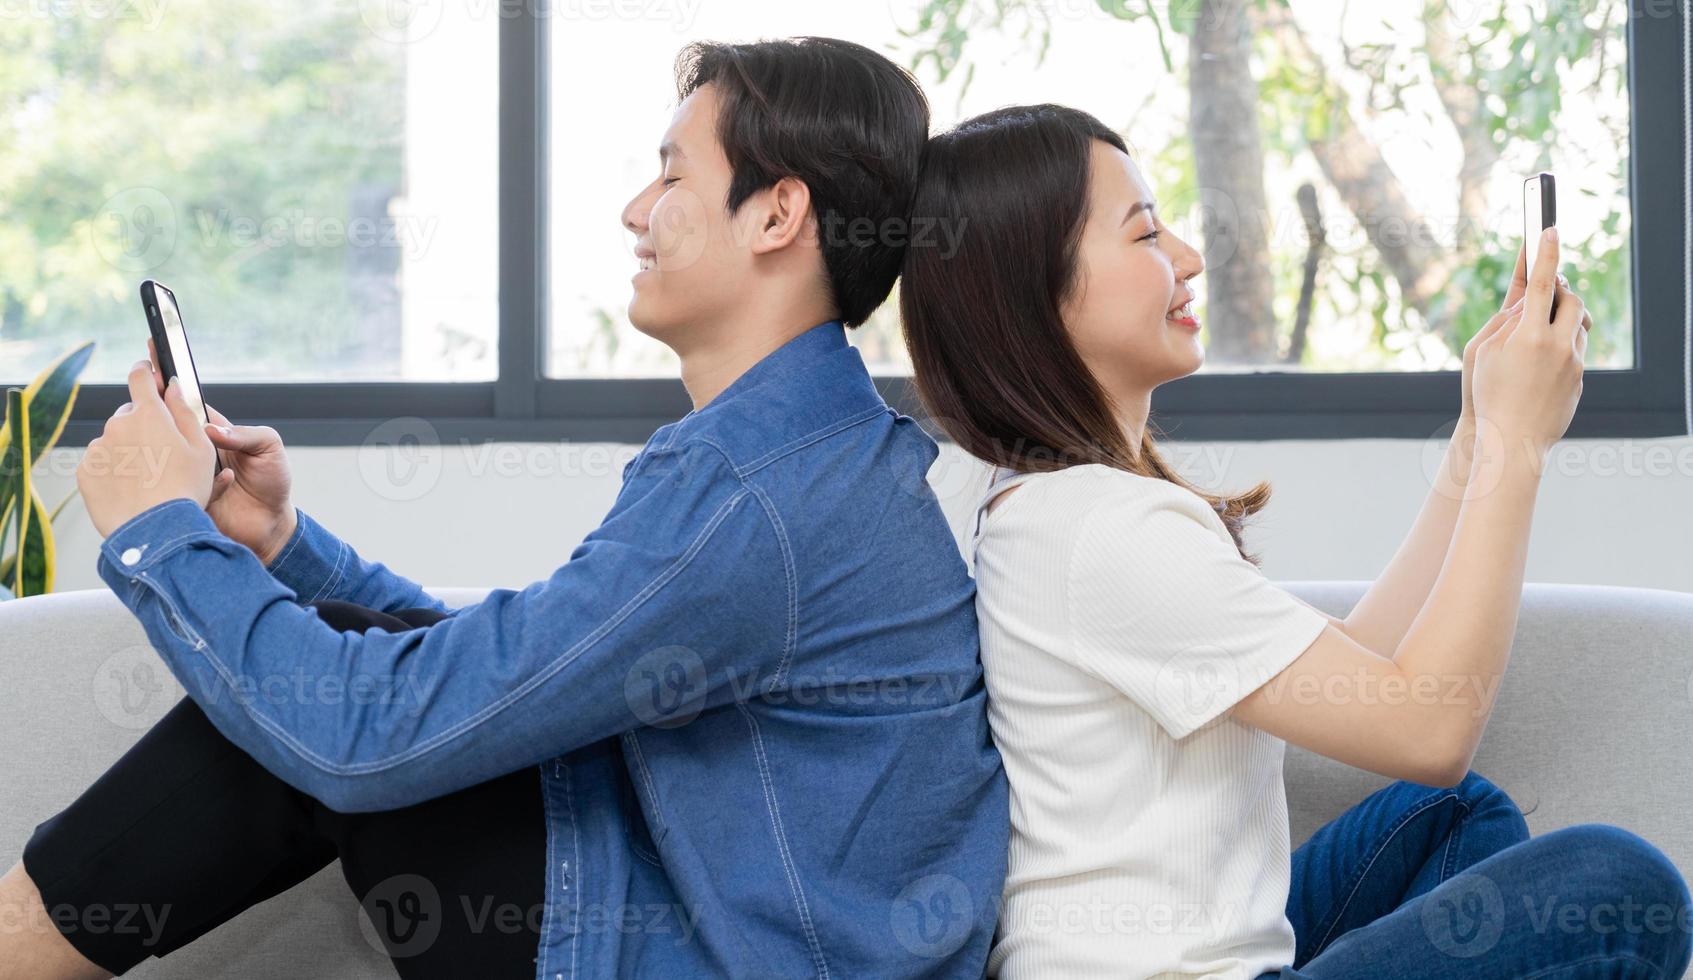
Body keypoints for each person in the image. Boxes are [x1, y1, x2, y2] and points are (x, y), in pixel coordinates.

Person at [0, 38, 1008, 980]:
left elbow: (364, 738)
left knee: (322, 714)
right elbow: (505, 681)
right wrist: (284, 547)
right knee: (348, 661)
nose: (633, 210)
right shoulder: (804, 455)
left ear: (777, 214)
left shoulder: (756, 495)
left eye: (671, 175)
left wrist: (156, 533)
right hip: (714, 924)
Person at [898, 102, 1692, 979]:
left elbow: (1364, 663)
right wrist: (1520, 447)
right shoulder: (1100, 532)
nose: (1189, 260)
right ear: (1034, 287)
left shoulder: (1061, 508)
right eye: (1146, 235)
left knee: (1451, 815)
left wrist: (1477, 434)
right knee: (1620, 883)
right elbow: (1426, 726)